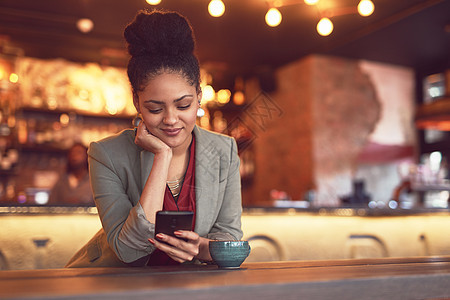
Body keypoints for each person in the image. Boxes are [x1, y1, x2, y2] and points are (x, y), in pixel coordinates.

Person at [66, 9, 243, 267]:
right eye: (155, 109)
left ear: (199, 95)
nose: (171, 119)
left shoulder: (224, 150)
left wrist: (200, 248)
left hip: (187, 285)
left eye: (183, 105)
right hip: (111, 281)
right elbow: (127, 249)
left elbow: (229, 235)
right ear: (137, 101)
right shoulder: (106, 155)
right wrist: (162, 156)